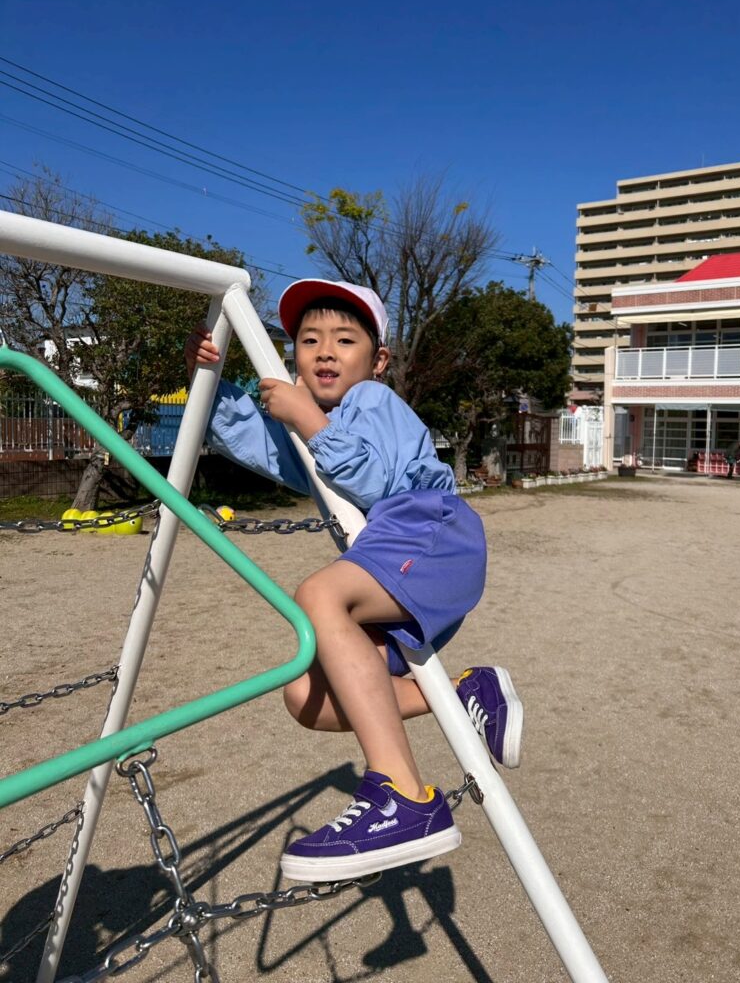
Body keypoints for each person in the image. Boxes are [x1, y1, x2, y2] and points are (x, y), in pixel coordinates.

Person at [184, 279, 523, 882]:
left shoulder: (371, 401)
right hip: (394, 553)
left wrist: (310, 420)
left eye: (344, 340)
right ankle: (469, 691)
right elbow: (252, 441)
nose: (324, 351)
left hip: (430, 530)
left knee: (318, 594)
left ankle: (404, 796)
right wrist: (206, 379)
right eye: (308, 339)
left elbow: (374, 477)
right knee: (306, 697)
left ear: (378, 359)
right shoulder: (319, 425)